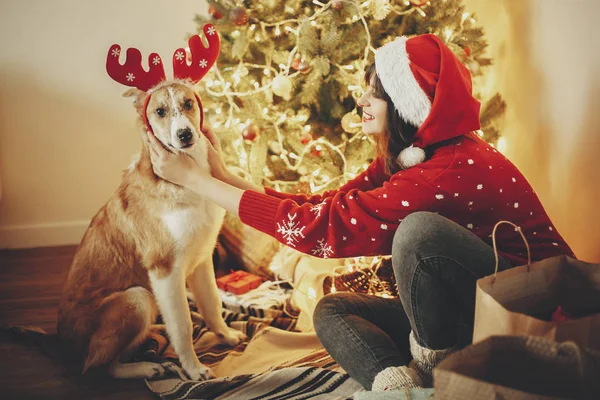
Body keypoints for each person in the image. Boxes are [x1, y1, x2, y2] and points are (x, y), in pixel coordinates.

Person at [147, 34, 574, 391]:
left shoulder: (440, 171)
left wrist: (197, 181)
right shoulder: (416, 153)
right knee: (331, 310)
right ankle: (402, 388)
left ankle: (438, 373)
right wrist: (222, 174)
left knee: (417, 233)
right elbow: (327, 205)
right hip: (466, 306)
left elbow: (322, 231)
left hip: (529, 310)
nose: (362, 100)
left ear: (408, 104)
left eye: (377, 93)